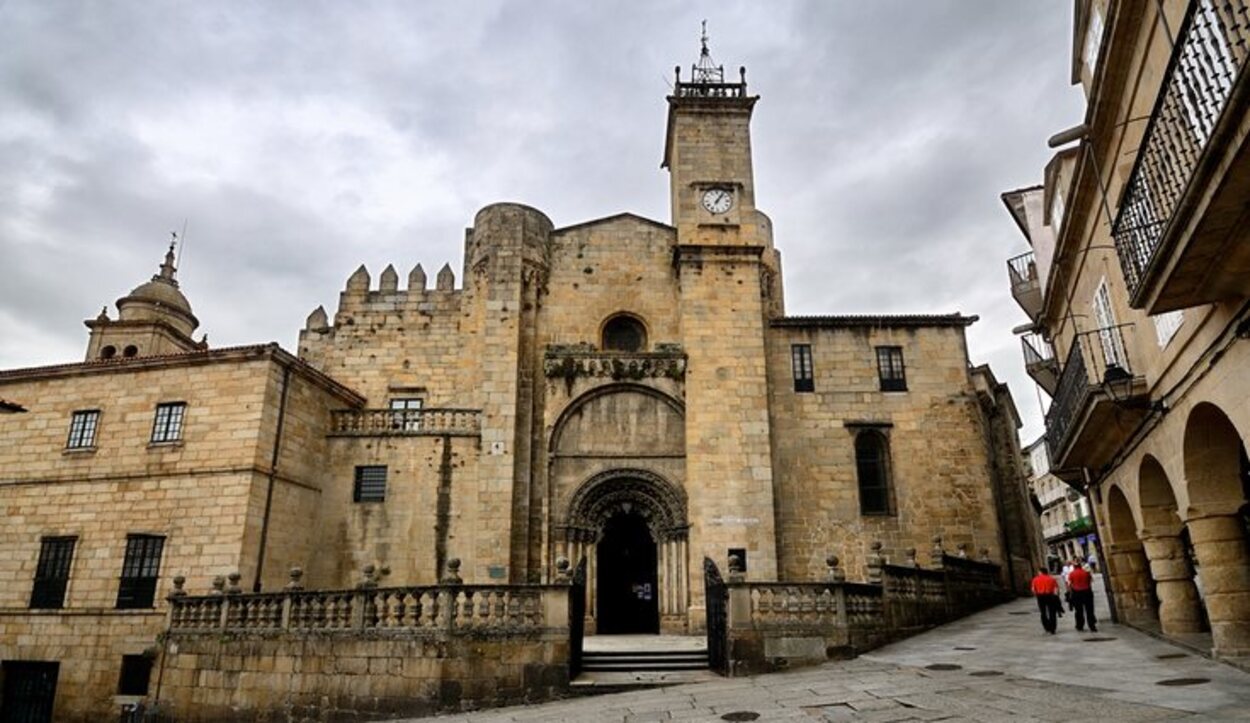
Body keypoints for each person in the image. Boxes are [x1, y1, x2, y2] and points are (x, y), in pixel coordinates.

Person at [1067, 561, 1098, 632]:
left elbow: (1069, 584)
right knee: (1089, 610)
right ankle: (1092, 626)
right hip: (1087, 592)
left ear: (1074, 567)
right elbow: (1090, 581)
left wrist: (1070, 593)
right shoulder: (1086, 573)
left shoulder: (1071, 574)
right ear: (1080, 566)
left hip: (1077, 593)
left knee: (1079, 611)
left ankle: (1080, 625)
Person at [1030, 568, 1062, 634]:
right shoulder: (1051, 579)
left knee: (1043, 612)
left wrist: (1037, 595)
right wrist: (1056, 597)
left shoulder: (1035, 579)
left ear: (1040, 572)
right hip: (1050, 596)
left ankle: (1047, 627)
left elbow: (1033, 589)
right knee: (1052, 612)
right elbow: (1056, 589)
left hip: (1040, 596)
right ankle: (1053, 628)